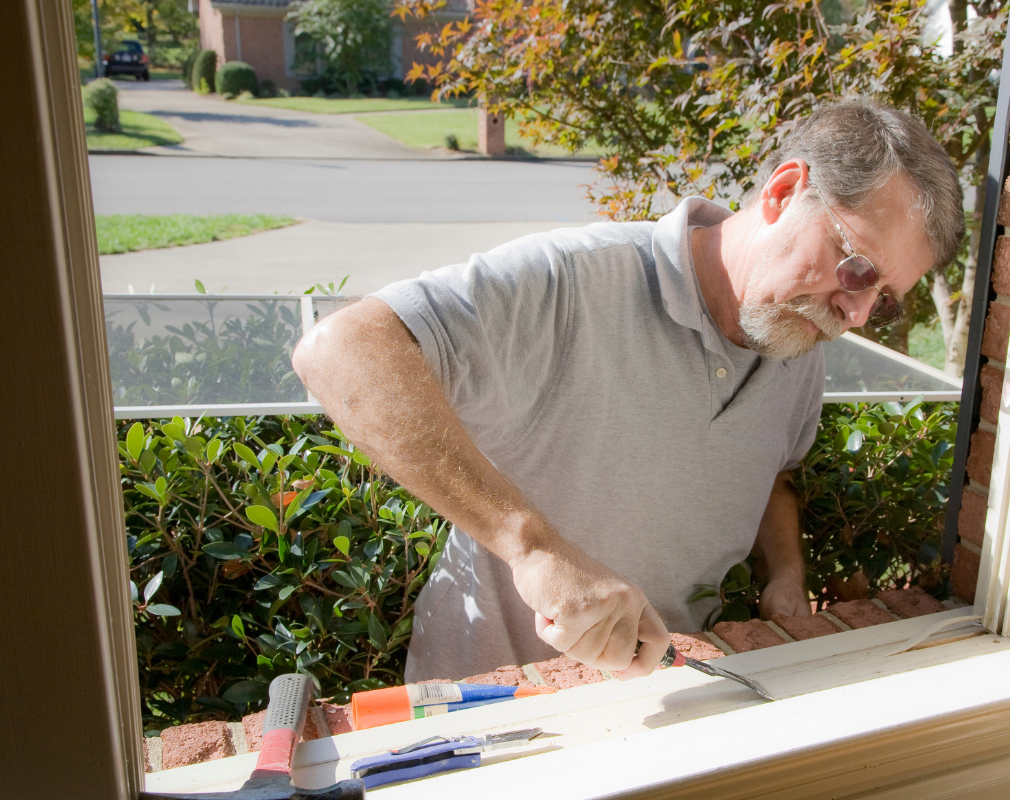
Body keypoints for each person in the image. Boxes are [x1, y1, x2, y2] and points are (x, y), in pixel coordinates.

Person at [291, 99, 964, 683]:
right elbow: (342, 350)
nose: (853, 314)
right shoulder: (578, 278)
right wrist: (534, 549)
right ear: (786, 191)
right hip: (493, 705)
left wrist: (783, 573)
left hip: (661, 694)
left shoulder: (796, 342)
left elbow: (773, 474)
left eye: (881, 299)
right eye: (855, 268)